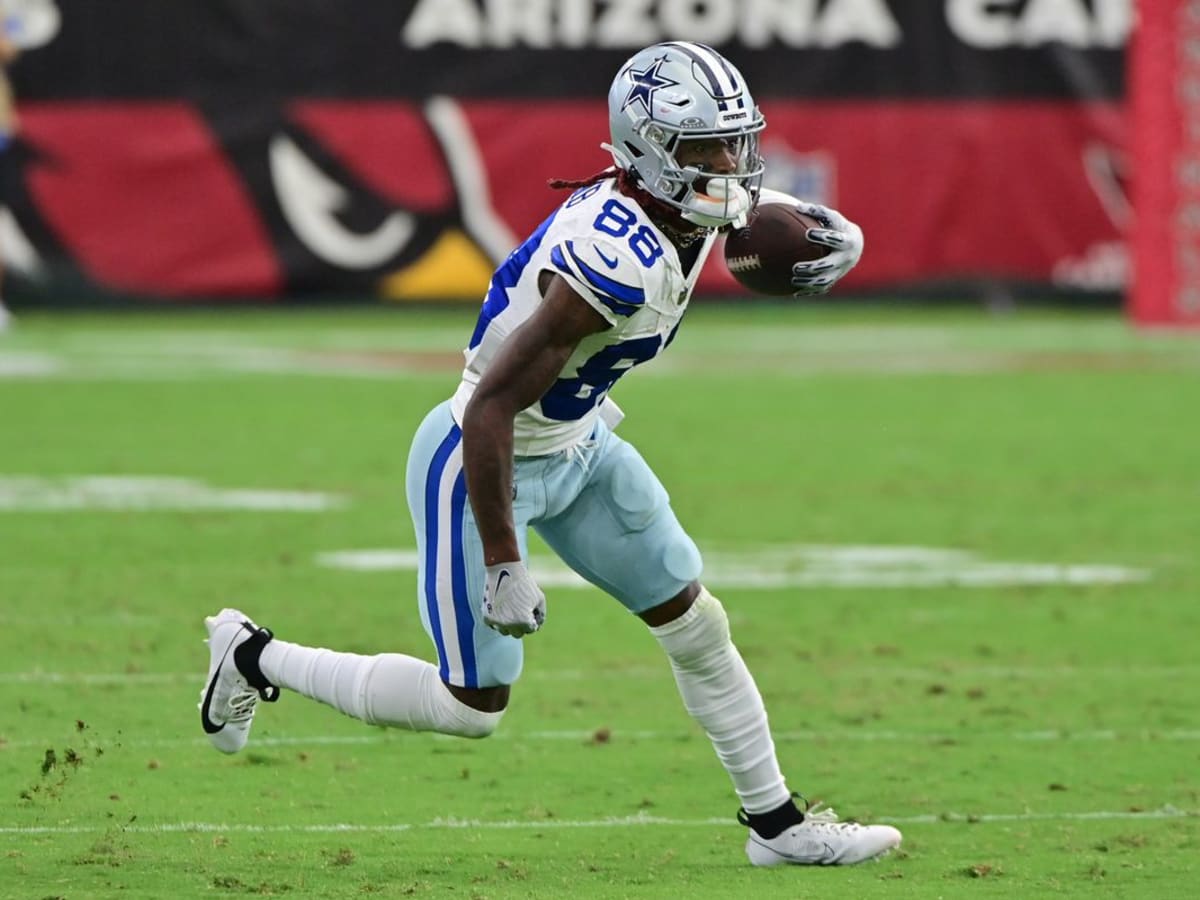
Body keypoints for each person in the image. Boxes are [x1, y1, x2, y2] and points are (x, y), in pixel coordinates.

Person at [199, 41, 901, 867]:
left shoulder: (684, 201)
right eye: (707, 149)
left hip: (580, 443)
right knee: (473, 704)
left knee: (696, 623)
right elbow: (492, 406)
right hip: (480, 460)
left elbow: (760, 212)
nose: (731, 166)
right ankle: (251, 653)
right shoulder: (615, 258)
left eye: (735, 142)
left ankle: (777, 827)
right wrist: (503, 559)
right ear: (650, 153)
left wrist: (833, 235)